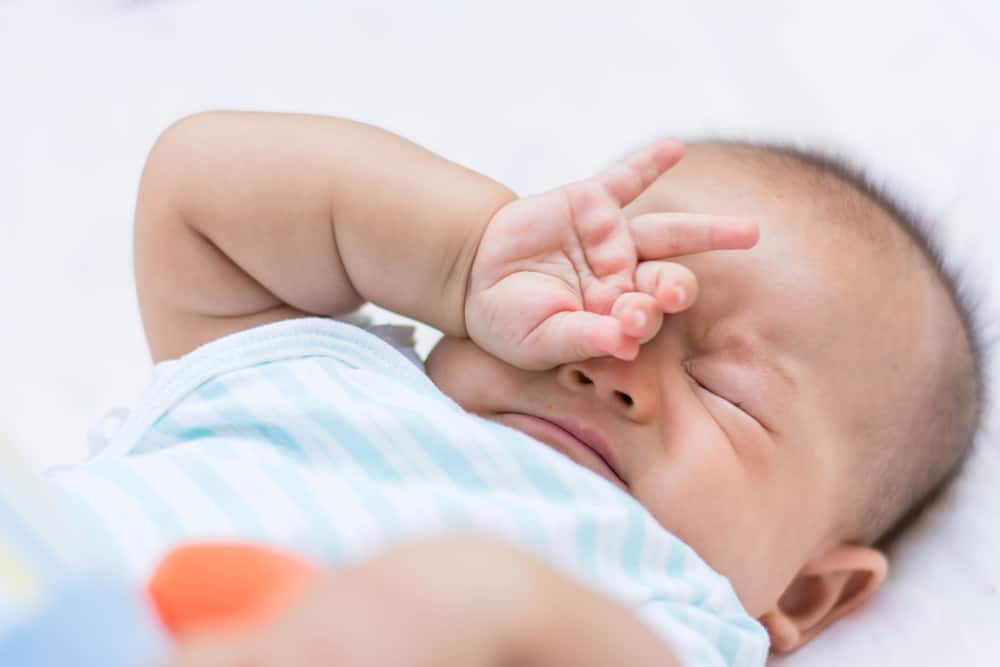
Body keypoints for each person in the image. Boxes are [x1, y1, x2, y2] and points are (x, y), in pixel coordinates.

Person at [45, 112, 982, 666]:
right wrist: (462, 256)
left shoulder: (662, 616)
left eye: (725, 389)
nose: (613, 359)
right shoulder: (324, 375)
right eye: (597, 291)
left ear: (810, 593)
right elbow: (197, 188)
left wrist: (472, 607)